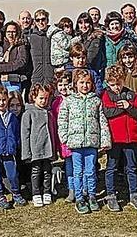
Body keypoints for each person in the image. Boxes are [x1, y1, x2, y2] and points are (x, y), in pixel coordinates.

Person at [57, 69, 111, 215]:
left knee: (91, 171)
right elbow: (62, 120)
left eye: (88, 83)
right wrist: (65, 138)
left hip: (91, 143)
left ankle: (92, 196)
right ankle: (79, 198)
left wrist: (104, 140)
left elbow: (102, 121)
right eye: (81, 82)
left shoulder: (96, 101)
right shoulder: (69, 101)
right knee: (78, 172)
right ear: (75, 84)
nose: (85, 85)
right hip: (75, 143)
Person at [100, 66, 137, 212]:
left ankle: (134, 194)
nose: (116, 87)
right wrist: (123, 108)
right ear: (107, 83)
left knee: (131, 168)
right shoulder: (106, 95)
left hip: (131, 138)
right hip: (114, 138)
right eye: (112, 84)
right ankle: (111, 195)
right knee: (111, 168)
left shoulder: (131, 95)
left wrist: (129, 106)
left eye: (118, 83)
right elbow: (107, 112)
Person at [21, 83, 58, 207]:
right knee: (36, 171)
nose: (44, 101)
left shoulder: (49, 113)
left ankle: (47, 192)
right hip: (35, 149)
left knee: (47, 171)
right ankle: (36, 193)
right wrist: (26, 153)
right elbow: (25, 134)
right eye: (41, 98)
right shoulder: (29, 113)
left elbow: (53, 132)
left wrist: (54, 149)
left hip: (48, 149)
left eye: (46, 98)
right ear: (34, 97)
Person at [51, 70, 76, 202]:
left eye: (66, 84)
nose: (63, 87)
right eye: (60, 85)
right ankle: (71, 189)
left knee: (80, 165)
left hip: (77, 139)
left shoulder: (76, 99)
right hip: (64, 140)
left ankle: (81, 188)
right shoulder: (56, 104)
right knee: (69, 166)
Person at [0, 21, 31, 94]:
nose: (11, 34)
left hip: (13, 82)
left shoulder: (21, 45)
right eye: (8, 32)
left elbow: (21, 62)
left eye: (14, 32)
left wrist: (0, 68)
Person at [28, 9, 58, 87]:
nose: (40, 22)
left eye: (43, 19)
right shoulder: (31, 37)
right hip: (36, 77)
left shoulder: (54, 35)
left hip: (51, 76)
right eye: (38, 20)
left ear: (47, 20)